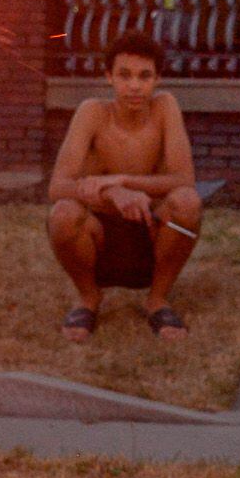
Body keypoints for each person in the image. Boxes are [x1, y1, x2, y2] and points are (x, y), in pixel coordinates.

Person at [46, 31, 202, 339]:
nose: (134, 86)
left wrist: (122, 180)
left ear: (157, 79)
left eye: (144, 76)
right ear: (109, 77)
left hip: (150, 230)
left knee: (187, 202)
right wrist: (113, 192)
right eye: (124, 75)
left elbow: (185, 180)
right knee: (63, 213)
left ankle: (157, 300)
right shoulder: (92, 112)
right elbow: (57, 187)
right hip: (99, 236)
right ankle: (88, 298)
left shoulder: (165, 108)